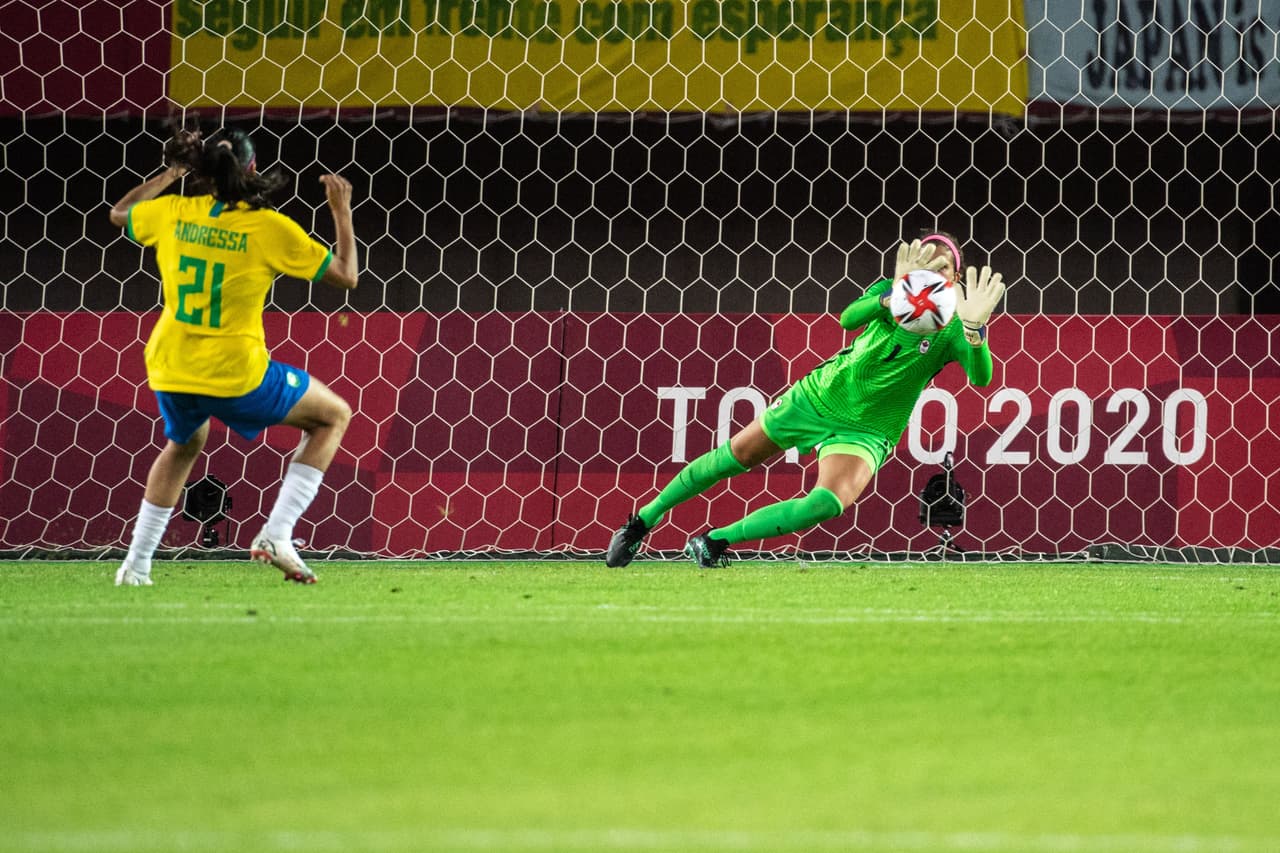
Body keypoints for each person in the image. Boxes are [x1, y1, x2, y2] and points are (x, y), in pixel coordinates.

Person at [605, 233, 1006, 568]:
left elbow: (981, 377)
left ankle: (715, 541)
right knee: (735, 456)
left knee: (826, 503)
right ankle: (641, 522)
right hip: (819, 396)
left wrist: (975, 331)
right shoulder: (893, 293)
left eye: (941, 270)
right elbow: (848, 319)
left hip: (868, 428)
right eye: (925, 267)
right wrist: (889, 297)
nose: (931, 276)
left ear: (955, 278)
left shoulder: (957, 324)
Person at [109, 123, 358, 585]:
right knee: (333, 415)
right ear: (253, 169)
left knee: (185, 443)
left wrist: (171, 173)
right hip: (234, 373)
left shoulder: (174, 212)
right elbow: (345, 275)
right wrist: (340, 211)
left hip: (170, 365)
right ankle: (277, 534)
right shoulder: (267, 228)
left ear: (202, 171)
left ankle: (135, 566)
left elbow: (121, 213)